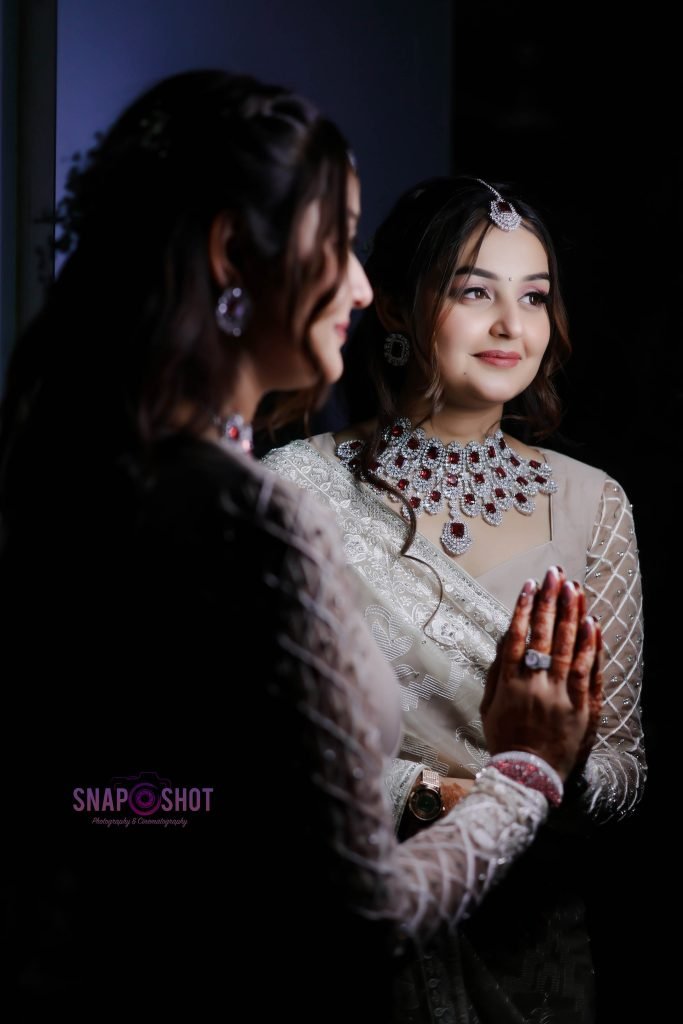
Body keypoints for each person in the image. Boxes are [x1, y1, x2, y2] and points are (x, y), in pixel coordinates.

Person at [0, 79, 600, 1020]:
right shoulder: (252, 513)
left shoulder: (102, 464)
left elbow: (108, 797)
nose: (360, 286)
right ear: (233, 253)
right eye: (338, 241)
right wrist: (525, 769)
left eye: (533, 296)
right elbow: (364, 915)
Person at [262, 174, 646, 1022]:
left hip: (532, 948)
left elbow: (625, 766)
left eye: (533, 296)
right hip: (348, 933)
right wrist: (433, 796)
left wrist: (554, 773)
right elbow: (251, 752)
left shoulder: (592, 503)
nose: (513, 326)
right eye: (475, 292)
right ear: (397, 308)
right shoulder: (292, 492)